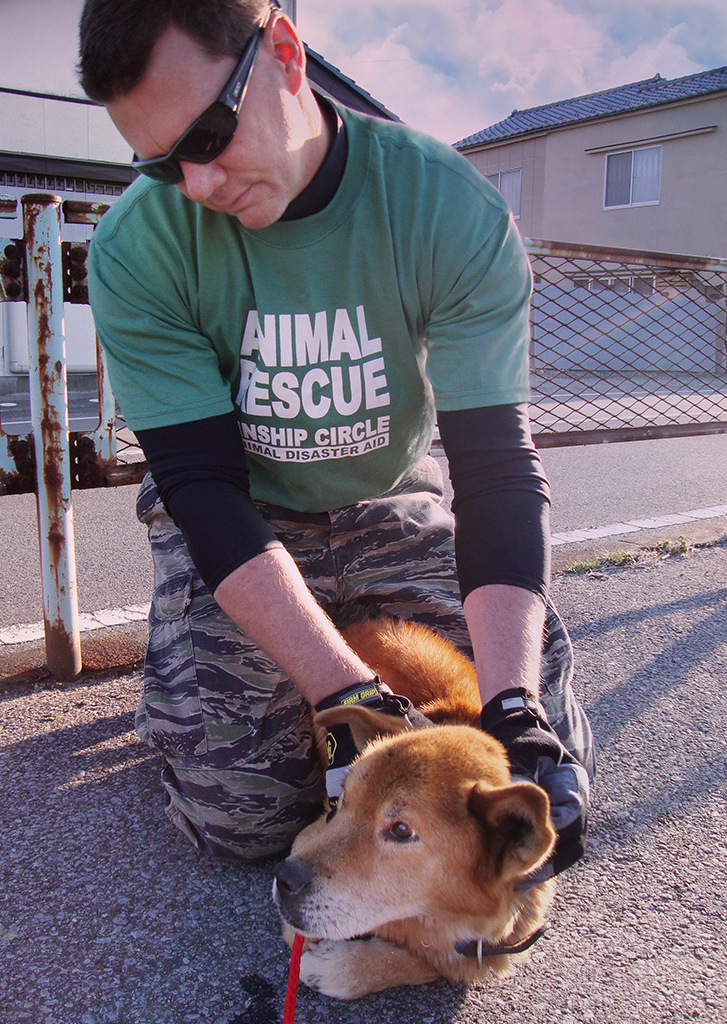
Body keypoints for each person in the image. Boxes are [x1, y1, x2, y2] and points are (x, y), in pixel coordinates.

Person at [78, 0, 594, 878]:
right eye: (160, 163)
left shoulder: (445, 207)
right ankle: (186, 686)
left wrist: (515, 703)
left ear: (283, 52)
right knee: (245, 823)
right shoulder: (137, 247)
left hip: (388, 498)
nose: (197, 184)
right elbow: (202, 489)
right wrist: (343, 693)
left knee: (519, 770)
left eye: (207, 134)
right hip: (245, 514)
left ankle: (397, 653)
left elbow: (498, 468)